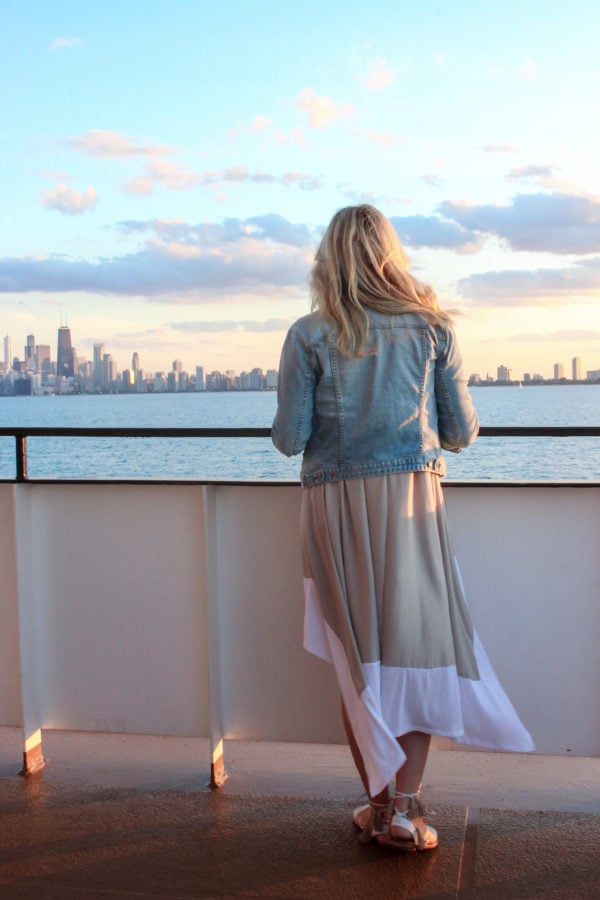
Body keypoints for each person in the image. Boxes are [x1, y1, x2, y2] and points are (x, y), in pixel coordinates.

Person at [271, 204, 534, 851]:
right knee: (414, 657)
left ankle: (380, 807)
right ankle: (406, 812)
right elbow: (461, 432)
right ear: (392, 255)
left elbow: (289, 439)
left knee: (359, 663)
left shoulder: (308, 335)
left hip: (335, 508)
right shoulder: (432, 329)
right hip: (413, 507)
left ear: (327, 261)